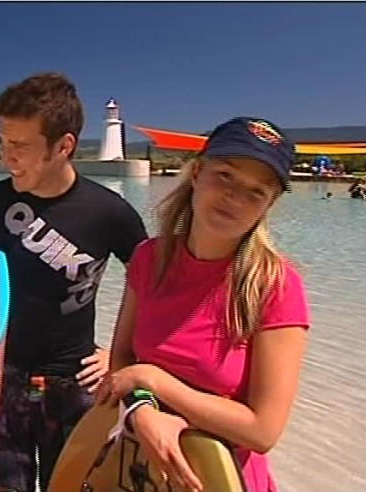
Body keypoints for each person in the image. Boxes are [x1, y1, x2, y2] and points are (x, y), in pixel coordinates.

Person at [0, 72, 147, 492]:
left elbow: (153, 288)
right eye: (3, 142)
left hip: (74, 382)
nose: (7, 157)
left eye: (20, 145)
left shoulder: (109, 213)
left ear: (64, 146)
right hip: (1, 379)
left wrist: (120, 356)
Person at [97, 117, 311, 492]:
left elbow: (263, 431)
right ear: (197, 173)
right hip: (136, 471)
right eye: (225, 175)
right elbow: (123, 359)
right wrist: (143, 408)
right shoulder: (149, 258)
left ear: (269, 204)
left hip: (220, 478)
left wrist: (155, 381)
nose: (235, 198)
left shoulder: (276, 285)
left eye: (256, 191)